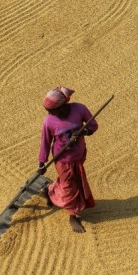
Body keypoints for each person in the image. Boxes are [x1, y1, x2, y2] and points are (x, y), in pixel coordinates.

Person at [37, 87, 98, 233]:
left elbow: (93, 125)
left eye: (53, 111)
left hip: (79, 155)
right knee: (70, 186)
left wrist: (84, 131)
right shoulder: (49, 121)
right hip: (62, 159)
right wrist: (42, 162)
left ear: (64, 105)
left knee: (72, 181)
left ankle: (50, 191)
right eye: (48, 111)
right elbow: (45, 142)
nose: (51, 114)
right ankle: (72, 215)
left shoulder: (79, 109)